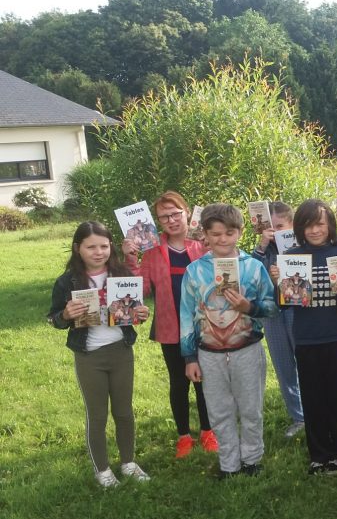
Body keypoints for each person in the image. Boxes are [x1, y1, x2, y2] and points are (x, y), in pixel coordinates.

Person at [48, 222, 152, 488]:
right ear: (77, 248)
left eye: (104, 246)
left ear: (111, 247)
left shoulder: (122, 274)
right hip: (89, 356)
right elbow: (54, 318)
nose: (98, 252)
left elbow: (134, 311)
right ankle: (102, 470)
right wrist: (65, 315)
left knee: (124, 412)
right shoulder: (67, 281)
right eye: (90, 246)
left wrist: (141, 314)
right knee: (97, 415)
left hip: (121, 351)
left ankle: (128, 462)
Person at [179, 204, 277, 479]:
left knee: (250, 408)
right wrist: (189, 357)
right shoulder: (194, 271)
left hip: (246, 348)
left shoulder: (254, 268)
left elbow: (272, 306)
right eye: (216, 234)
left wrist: (249, 307)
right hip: (209, 353)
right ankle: (229, 464)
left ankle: (252, 460)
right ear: (206, 235)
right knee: (219, 410)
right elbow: (186, 315)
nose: (223, 239)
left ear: (240, 233)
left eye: (229, 233)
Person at [123, 191, 217, 459]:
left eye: (175, 214)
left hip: (205, 324)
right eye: (164, 217)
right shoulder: (152, 251)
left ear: (186, 212)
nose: (171, 220)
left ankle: (208, 431)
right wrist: (131, 259)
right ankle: (184, 436)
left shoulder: (202, 245)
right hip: (170, 326)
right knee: (179, 382)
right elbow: (142, 289)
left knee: (205, 381)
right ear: (158, 222)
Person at [270, 200, 337, 475]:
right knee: (312, 397)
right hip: (306, 339)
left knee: (336, 395)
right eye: (309, 225)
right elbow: (285, 304)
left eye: (320, 224)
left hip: (334, 337)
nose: (315, 230)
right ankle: (318, 453)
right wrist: (279, 284)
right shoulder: (293, 256)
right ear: (300, 228)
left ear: (330, 225)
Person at [253, 202, 305, 438]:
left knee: (305, 362)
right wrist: (262, 246)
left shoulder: (301, 245)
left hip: (298, 311)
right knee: (284, 366)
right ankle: (298, 417)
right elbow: (252, 275)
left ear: (292, 225)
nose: (272, 232)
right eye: (268, 227)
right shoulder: (262, 251)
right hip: (272, 314)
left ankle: (314, 411)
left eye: (279, 226)